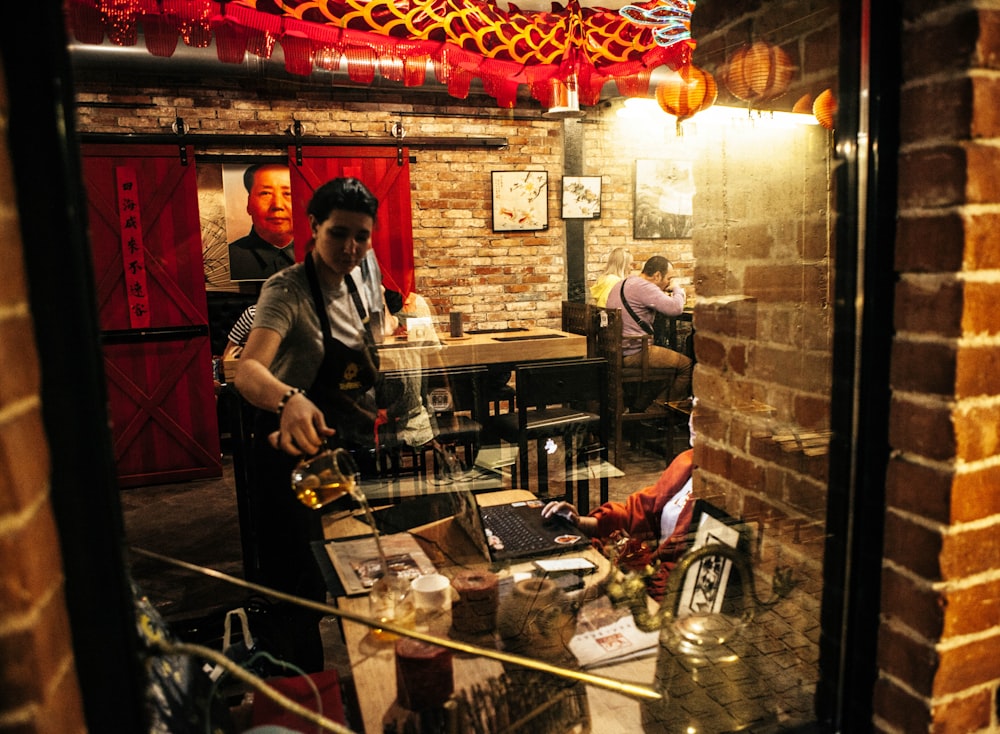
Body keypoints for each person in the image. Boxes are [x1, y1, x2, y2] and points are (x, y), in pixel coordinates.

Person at [233, 177, 386, 670]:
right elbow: (246, 368)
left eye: (362, 236)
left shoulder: (359, 285)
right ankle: (303, 693)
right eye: (338, 233)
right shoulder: (288, 289)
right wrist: (288, 398)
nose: (351, 247)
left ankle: (365, 682)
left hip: (344, 453)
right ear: (314, 227)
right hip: (290, 458)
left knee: (353, 573)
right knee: (298, 591)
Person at [541, 447, 695, 601]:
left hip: (670, 595)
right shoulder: (688, 461)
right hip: (641, 572)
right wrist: (578, 521)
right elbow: (636, 515)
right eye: (691, 420)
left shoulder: (714, 488)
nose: (692, 424)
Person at [606, 255, 692, 409]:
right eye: (669, 278)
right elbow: (675, 308)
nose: (668, 283)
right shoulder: (645, 286)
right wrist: (678, 289)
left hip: (616, 351)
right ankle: (657, 411)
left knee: (667, 365)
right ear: (657, 275)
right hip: (635, 353)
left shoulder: (624, 282)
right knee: (686, 365)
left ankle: (642, 409)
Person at [228, 163, 295, 281]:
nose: (278, 205)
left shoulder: (320, 256)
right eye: (266, 193)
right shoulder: (228, 260)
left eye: (288, 194)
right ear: (249, 204)